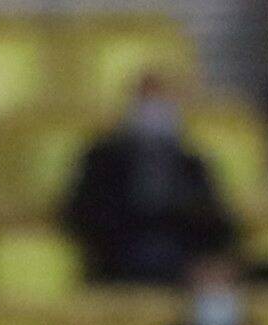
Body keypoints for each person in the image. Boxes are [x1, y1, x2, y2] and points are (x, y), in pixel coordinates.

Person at [64, 71, 241, 288]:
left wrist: (212, 258)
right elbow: (80, 213)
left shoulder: (191, 164)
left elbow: (218, 219)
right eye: (147, 101)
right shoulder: (102, 158)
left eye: (162, 102)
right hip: (122, 253)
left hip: (182, 257)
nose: (155, 111)